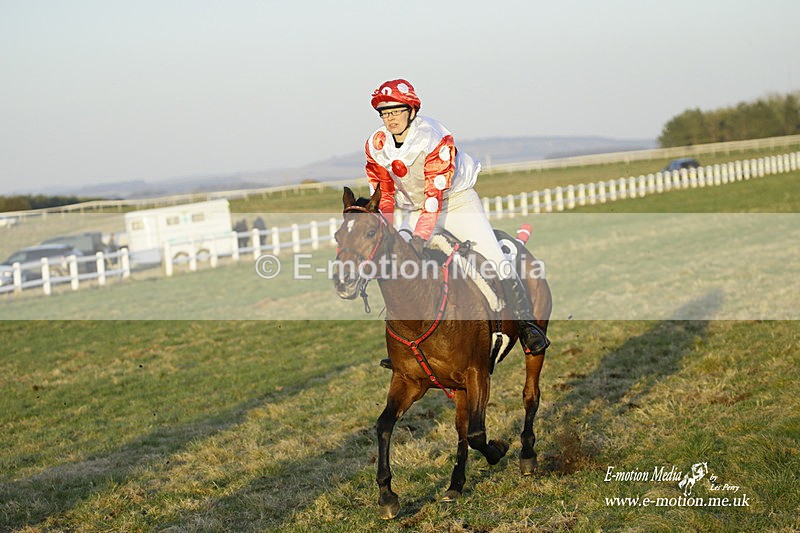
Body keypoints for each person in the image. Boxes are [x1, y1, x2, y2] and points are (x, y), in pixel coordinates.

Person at [364, 79, 549, 359]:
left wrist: (418, 238)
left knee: (495, 259)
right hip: (415, 209)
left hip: (455, 203)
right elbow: (385, 194)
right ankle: (406, 341)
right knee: (397, 261)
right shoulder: (376, 145)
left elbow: (434, 197)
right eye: (384, 113)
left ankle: (527, 327)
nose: (390, 118)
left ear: (411, 111)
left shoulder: (434, 137)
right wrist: (390, 233)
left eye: (396, 111)